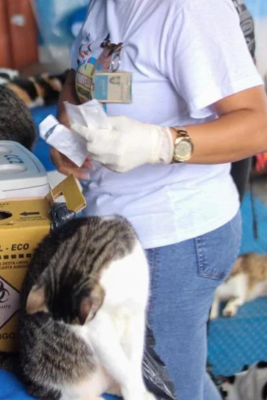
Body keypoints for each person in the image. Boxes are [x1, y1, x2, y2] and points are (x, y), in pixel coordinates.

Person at [50, 0, 267, 399]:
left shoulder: (189, 10)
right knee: (173, 374)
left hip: (175, 241)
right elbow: (83, 74)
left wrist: (160, 143)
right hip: (114, 231)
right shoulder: (105, 4)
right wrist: (70, 123)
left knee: (163, 386)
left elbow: (257, 125)